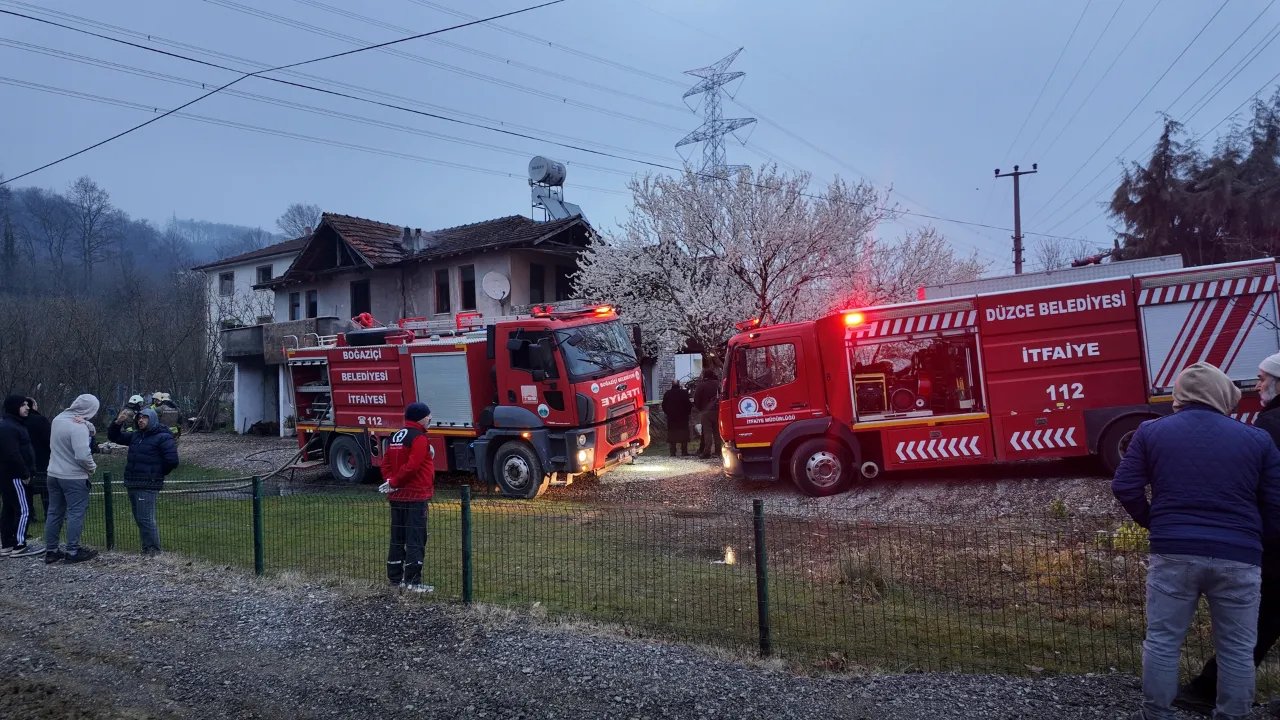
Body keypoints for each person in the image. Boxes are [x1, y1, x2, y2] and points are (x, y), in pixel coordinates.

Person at [1113, 362, 1280, 720]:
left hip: (1173, 553)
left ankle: (1156, 714)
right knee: (1237, 647)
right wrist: (1255, 540)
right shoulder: (1256, 439)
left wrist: (1153, 522)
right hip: (1239, 556)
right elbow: (1276, 503)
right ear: (1223, 395)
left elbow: (1124, 486)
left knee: (1162, 640)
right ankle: (1233, 714)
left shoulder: (1150, 432)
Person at [1175, 353, 1280, 715]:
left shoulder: (1270, 426)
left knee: (1260, 621)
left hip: (1268, 543)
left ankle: (1208, 691)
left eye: (1263, 378)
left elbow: (1263, 489)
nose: (1257, 385)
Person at [379, 402, 435, 592]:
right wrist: (394, 482)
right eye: (428, 415)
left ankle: (395, 578)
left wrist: (390, 482)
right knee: (415, 538)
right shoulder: (418, 438)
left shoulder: (396, 436)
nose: (430, 418)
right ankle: (413, 581)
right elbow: (413, 466)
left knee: (397, 537)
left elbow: (385, 462)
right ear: (420, 417)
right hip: (415, 495)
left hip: (397, 496)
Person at [109, 407, 178, 555]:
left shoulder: (163, 437)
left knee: (146, 518)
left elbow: (172, 460)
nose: (140, 420)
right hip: (133, 482)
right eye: (139, 418)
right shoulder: (136, 436)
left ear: (152, 419)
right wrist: (118, 422)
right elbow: (115, 437)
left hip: (148, 484)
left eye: (144, 418)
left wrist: (157, 473)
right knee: (140, 518)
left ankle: (153, 551)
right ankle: (146, 548)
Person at [46, 394, 100, 564]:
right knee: (75, 513)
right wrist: (92, 468)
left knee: (54, 512)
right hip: (73, 477)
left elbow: (87, 429)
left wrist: (87, 425)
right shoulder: (78, 428)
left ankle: (51, 550)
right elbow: (83, 455)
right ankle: (72, 551)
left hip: (53, 474)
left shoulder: (58, 419)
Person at [0, 394, 38, 557]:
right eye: (23, 405)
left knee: (9, 508)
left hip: (9, 475)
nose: (27, 407)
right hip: (15, 475)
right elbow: (12, 453)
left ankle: (7, 543)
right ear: (14, 407)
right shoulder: (9, 427)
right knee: (23, 509)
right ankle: (19, 543)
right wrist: (24, 473)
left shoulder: (13, 425)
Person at [23, 397, 51, 522]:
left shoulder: (18, 421)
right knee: (46, 489)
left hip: (24, 460)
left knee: (26, 490)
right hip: (42, 459)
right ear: (33, 406)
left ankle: (30, 515)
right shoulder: (41, 420)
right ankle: (48, 513)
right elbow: (49, 440)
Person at [692, 369, 721, 459]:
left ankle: (707, 451)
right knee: (717, 432)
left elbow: (696, 399)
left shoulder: (701, 386)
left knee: (707, 432)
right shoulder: (718, 385)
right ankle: (717, 451)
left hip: (706, 411)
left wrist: (701, 408)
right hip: (718, 410)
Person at [661, 380, 693, 457]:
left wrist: (668, 413)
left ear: (672, 385)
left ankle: (673, 452)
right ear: (679, 384)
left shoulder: (667, 394)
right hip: (683, 417)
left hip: (672, 418)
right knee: (684, 434)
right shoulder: (683, 393)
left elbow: (663, 405)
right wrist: (687, 413)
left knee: (672, 434)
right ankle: (684, 452)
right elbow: (689, 404)